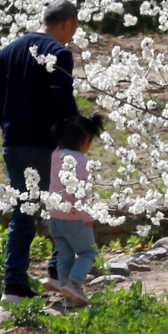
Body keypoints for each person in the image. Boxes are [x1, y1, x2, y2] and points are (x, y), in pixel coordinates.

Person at [0, 0, 80, 306]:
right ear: (67, 23)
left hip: (14, 142)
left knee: (22, 213)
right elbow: (62, 102)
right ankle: (57, 274)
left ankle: (13, 285)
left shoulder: (10, 50)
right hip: (47, 144)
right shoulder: (59, 53)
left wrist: (9, 126)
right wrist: (73, 137)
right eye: (74, 27)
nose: (73, 34)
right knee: (61, 206)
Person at [45, 112, 105, 307]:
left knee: (64, 254)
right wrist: (88, 216)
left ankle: (68, 296)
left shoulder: (56, 154)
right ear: (86, 140)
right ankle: (75, 284)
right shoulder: (80, 160)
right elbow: (81, 193)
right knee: (88, 253)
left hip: (55, 215)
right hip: (75, 217)